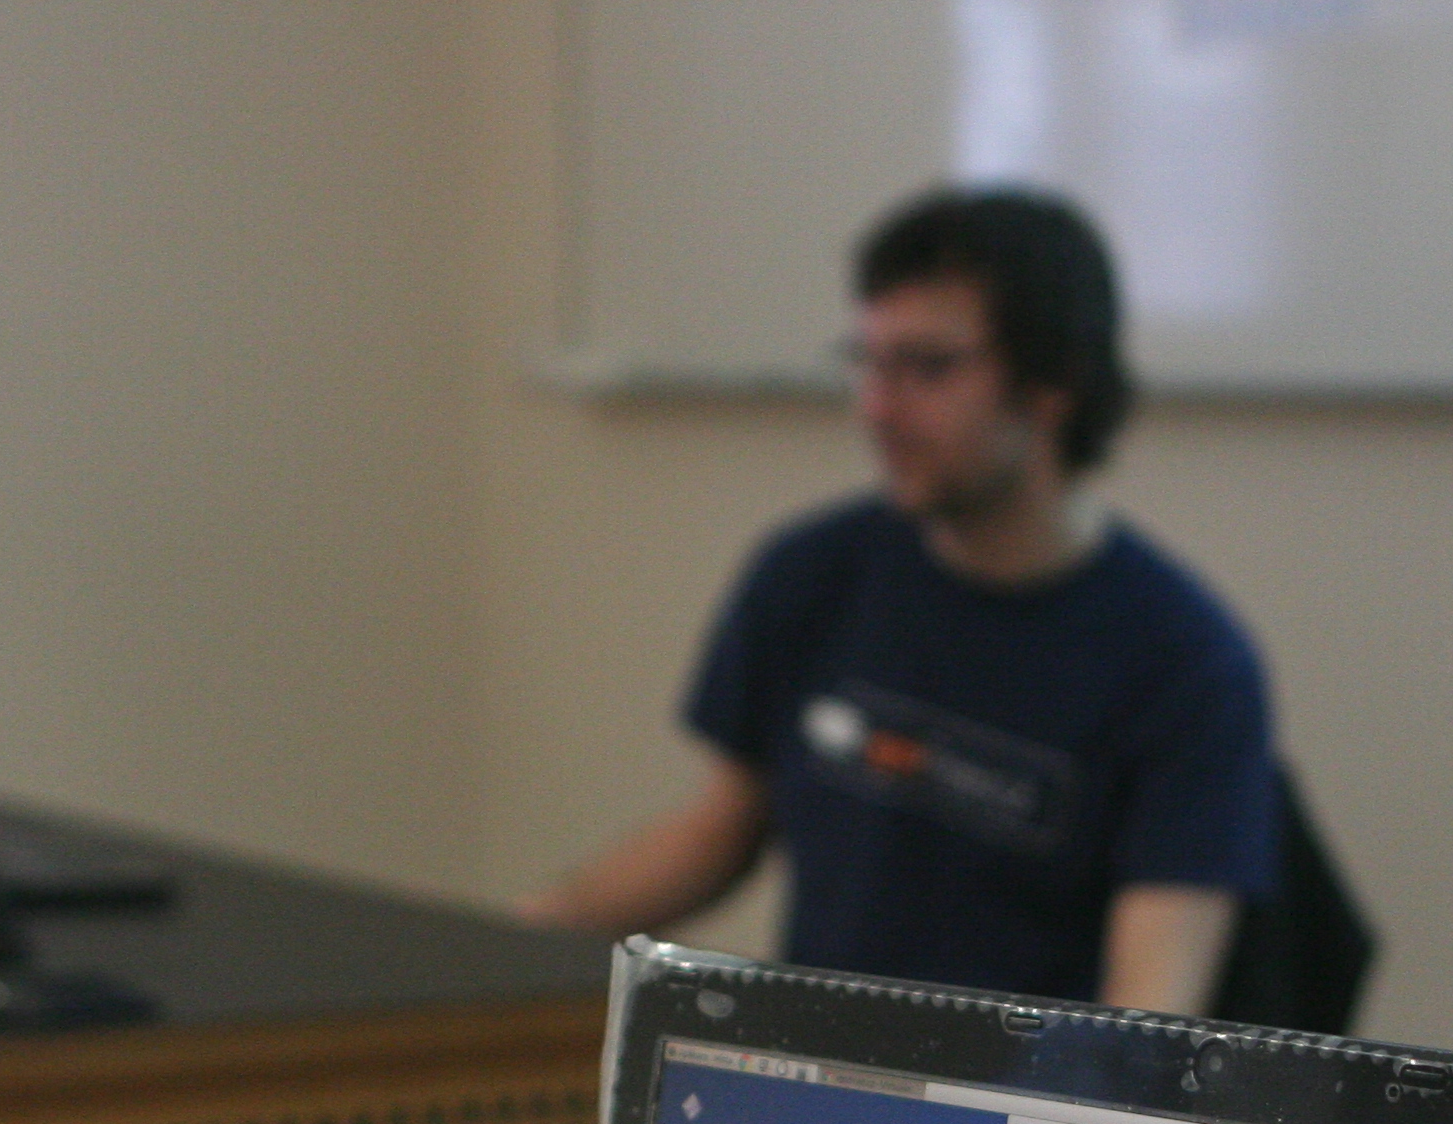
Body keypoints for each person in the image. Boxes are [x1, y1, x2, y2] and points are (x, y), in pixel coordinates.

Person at [518, 186, 1284, 1014]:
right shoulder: (812, 574)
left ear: (1054, 381)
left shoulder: (1186, 663)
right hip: (817, 1067)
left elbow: (1152, 1010)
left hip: (1027, 1091)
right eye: (868, 361)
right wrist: (508, 943)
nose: (878, 407)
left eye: (927, 367)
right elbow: (722, 830)